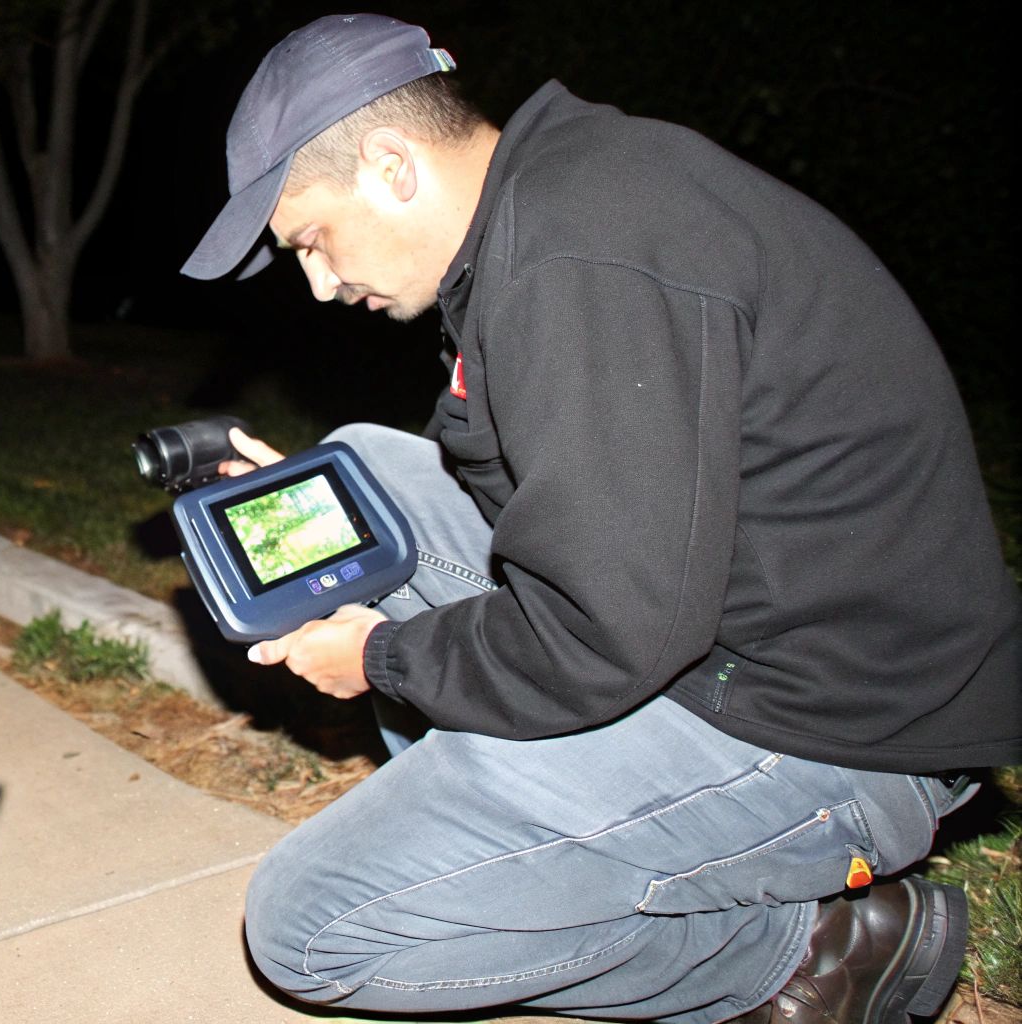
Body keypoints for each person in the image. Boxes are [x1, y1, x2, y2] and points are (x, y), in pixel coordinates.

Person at [180, 14, 1021, 1024]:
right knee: (363, 473)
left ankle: (808, 954)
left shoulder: (577, 258)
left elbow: (604, 627)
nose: (318, 284)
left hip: (829, 727)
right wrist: (320, 502)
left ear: (391, 166)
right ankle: (502, 835)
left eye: (312, 240)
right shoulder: (561, 197)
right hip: (747, 625)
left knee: (308, 927)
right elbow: (562, 511)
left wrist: (380, 658)